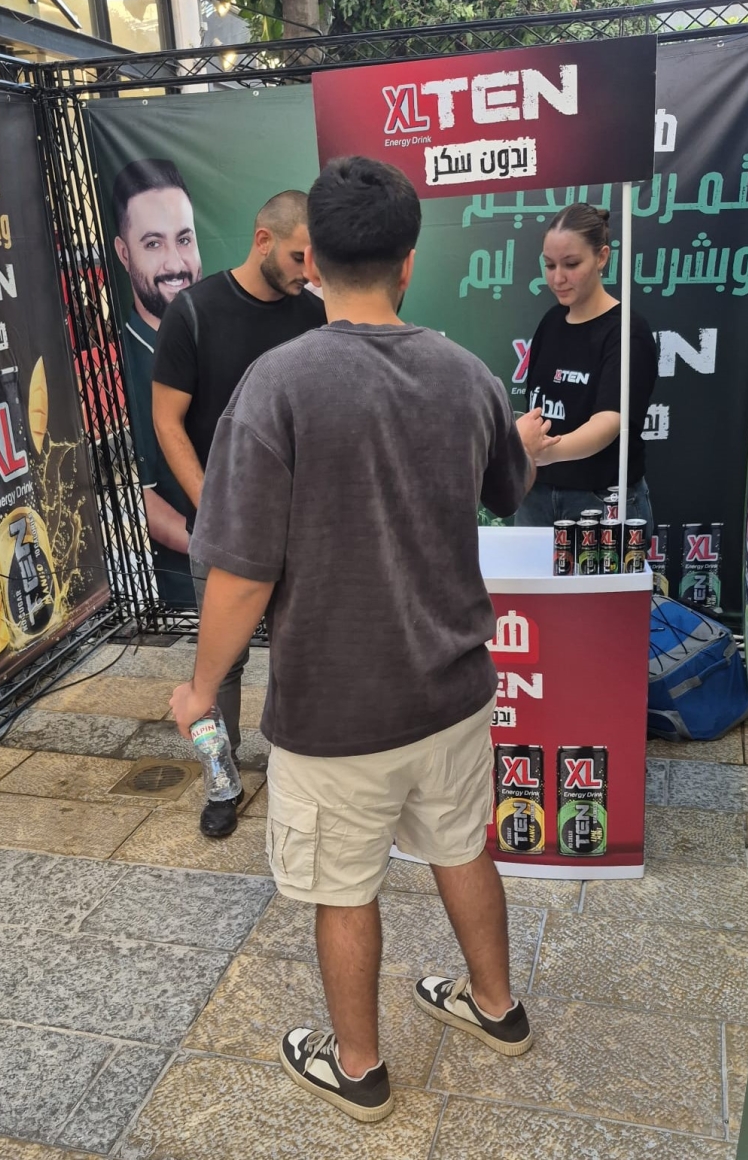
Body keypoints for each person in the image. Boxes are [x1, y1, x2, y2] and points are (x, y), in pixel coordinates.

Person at [169, 156, 557, 1123]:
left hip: (334, 708)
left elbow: (242, 572)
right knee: (461, 846)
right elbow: (509, 487)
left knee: (343, 888)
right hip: (452, 688)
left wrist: (200, 687)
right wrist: (524, 441)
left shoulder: (276, 384)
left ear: (315, 261)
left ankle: (359, 1070)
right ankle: (498, 1009)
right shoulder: (466, 374)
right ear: (408, 262)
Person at [153, 190, 326, 839]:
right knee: (219, 665)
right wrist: (214, 505)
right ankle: (220, 781)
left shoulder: (316, 314)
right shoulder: (194, 312)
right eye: (299, 256)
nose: (309, 270)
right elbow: (167, 422)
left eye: (315, 259)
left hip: (301, 528)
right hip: (222, 526)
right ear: (262, 240)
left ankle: (298, 777)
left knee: (299, 655)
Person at [514, 203, 658, 529]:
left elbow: (609, 422)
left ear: (602, 257)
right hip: (535, 494)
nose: (558, 278)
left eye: (571, 264)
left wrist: (547, 452)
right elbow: (536, 407)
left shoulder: (627, 332)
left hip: (601, 502)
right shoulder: (551, 322)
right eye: (549, 265)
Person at [111, 158, 202, 608]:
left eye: (184, 239)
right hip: (189, 597)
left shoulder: (221, 334)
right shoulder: (115, 367)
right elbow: (134, 498)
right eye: (153, 243)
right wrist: (227, 551)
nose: (175, 263)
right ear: (124, 253)